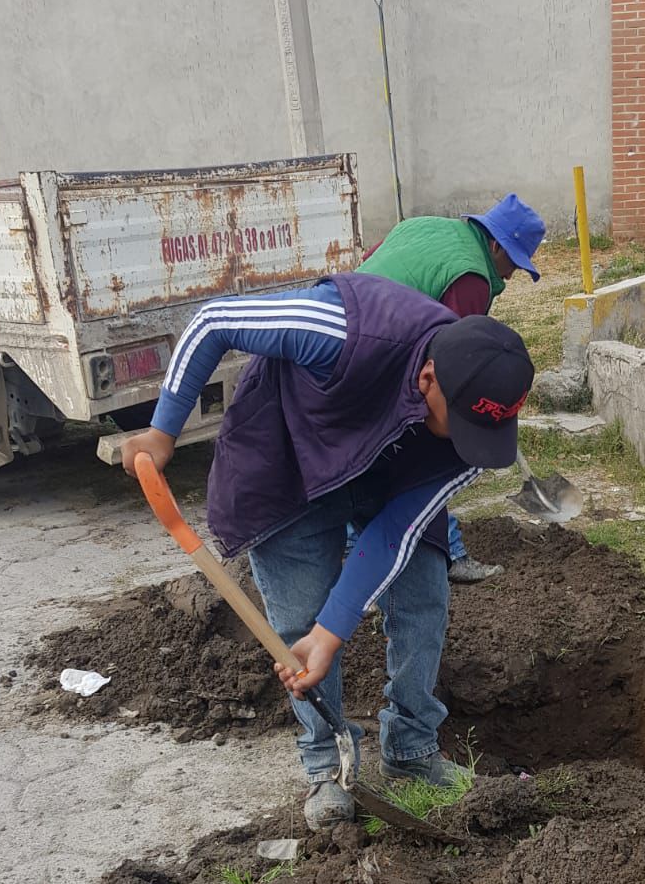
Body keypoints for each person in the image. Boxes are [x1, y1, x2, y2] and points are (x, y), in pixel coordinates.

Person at [119, 272, 534, 829]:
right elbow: (213, 322)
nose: (469, 446)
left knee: (423, 596)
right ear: (429, 378)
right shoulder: (343, 329)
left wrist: (335, 629)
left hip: (393, 475)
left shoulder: (479, 436)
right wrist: (163, 432)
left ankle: (412, 749)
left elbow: (396, 532)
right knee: (299, 621)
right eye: (457, 425)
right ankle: (327, 766)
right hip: (289, 461)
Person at [356, 194, 546, 581]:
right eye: (512, 261)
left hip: (356, 339)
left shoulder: (424, 224)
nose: (510, 275)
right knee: (432, 455)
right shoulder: (471, 276)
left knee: (365, 456)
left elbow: (368, 266)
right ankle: (451, 553)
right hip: (384, 359)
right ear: (495, 244)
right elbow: (458, 365)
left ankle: (354, 551)